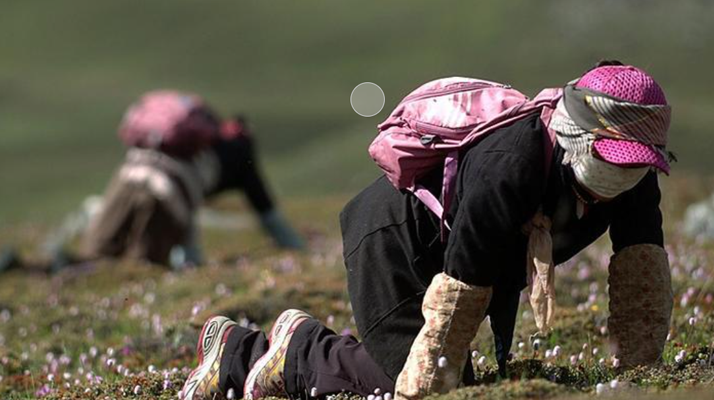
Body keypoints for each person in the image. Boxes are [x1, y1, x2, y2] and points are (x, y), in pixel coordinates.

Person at [179, 62, 674, 400]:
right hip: (396, 240)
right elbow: (461, 289)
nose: (622, 176)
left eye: (634, 164)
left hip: (456, 253)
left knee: (445, 378)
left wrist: (638, 373)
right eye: (614, 160)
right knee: (424, 384)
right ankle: (282, 350)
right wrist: (427, 383)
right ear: (575, 136)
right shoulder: (511, 164)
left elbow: (642, 274)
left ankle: (272, 347)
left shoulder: (635, 177)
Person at [38, 90, 303, 271]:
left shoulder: (197, 135)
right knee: (141, 270)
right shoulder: (241, 156)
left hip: (126, 176)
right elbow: (271, 221)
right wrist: (301, 251)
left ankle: (43, 268)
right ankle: (64, 271)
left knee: (94, 256)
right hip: (164, 194)